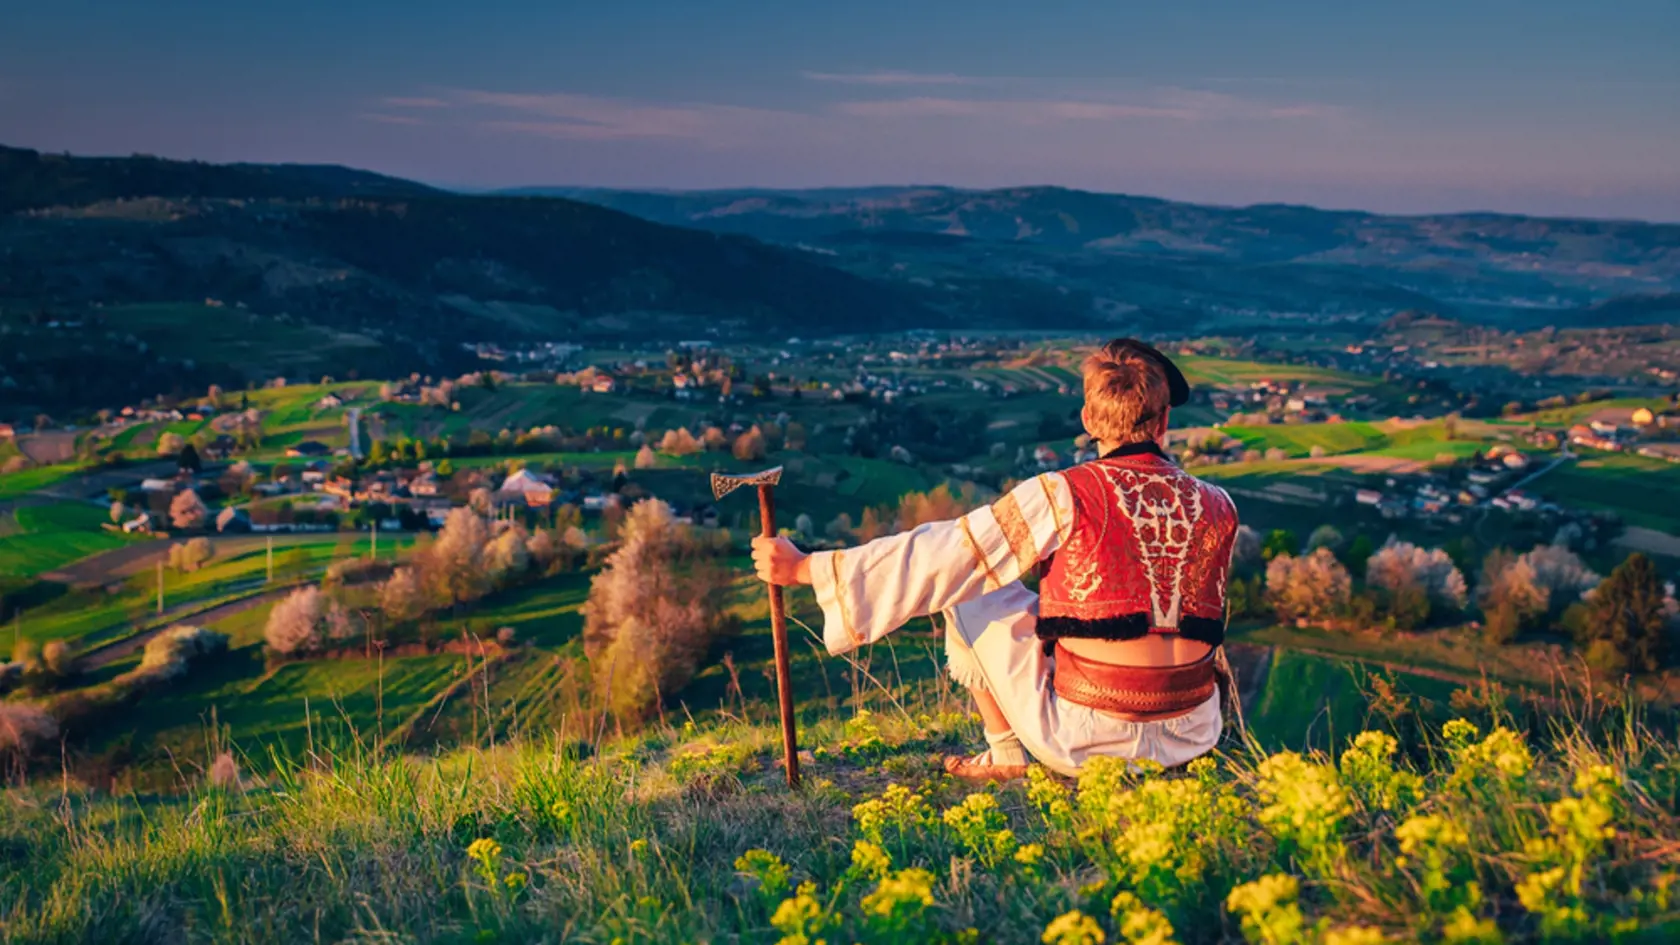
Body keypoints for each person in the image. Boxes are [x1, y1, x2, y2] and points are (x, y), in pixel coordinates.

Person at [751, 339, 1241, 780]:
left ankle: (1006, 752)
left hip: (1086, 741)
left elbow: (944, 555)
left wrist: (805, 568)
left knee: (966, 580)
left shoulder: (1062, 494)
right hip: (1193, 734)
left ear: (1089, 420)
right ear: (1163, 422)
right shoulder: (1220, 505)